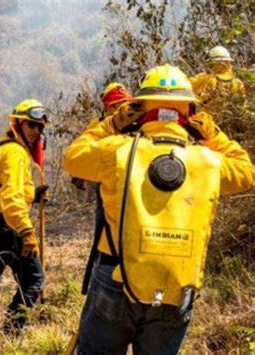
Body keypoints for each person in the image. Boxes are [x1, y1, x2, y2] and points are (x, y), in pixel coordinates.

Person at [63, 64, 254, 354]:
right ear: (190, 114)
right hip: (175, 289)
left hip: (116, 278)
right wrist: (212, 135)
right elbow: (247, 173)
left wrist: (111, 124)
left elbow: (73, 158)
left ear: (139, 109)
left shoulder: (116, 149)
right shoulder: (208, 162)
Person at [0, 98, 49, 335]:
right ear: (17, 124)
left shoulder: (1, 147)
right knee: (34, 281)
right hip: (6, 225)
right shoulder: (15, 153)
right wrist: (26, 232)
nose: (36, 131)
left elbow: (1, 189)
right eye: (31, 125)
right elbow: (11, 198)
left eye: (40, 127)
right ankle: (10, 333)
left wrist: (32, 195)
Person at [80, 82, 133, 295]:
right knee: (105, 234)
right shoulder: (100, 125)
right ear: (106, 107)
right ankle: (96, 283)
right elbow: (82, 153)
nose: (118, 110)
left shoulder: (136, 123)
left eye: (122, 104)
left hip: (133, 184)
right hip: (107, 185)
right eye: (114, 106)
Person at [190, 46, 245, 116]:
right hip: (231, 122)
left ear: (212, 63)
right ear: (229, 62)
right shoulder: (238, 83)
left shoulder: (205, 78)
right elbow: (242, 105)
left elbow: (185, 86)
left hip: (207, 121)